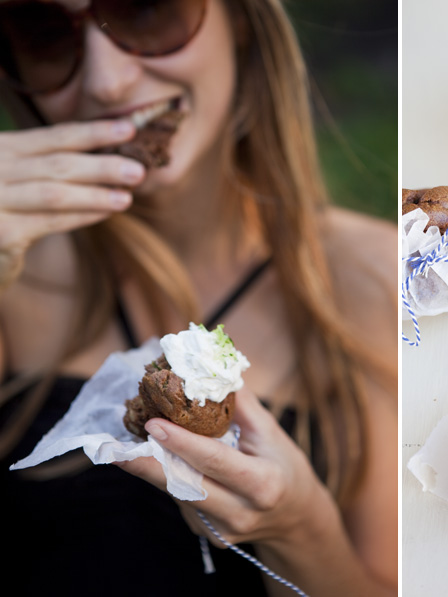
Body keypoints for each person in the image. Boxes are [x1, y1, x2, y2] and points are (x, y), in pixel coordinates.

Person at [0, 1, 397, 595]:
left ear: (240, 18)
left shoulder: (382, 280)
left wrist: (302, 532)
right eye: (44, 35)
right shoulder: (12, 277)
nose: (107, 82)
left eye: (145, 10)